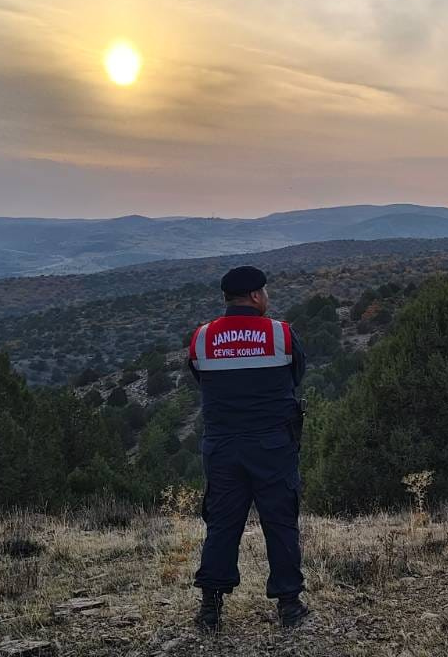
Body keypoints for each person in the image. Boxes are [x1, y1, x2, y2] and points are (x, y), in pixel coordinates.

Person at [188, 266, 310, 631]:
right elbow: (296, 376)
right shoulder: (281, 334)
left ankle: (210, 608)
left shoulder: (202, 338)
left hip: (223, 446)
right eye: (266, 292)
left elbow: (200, 380)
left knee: (222, 524)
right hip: (272, 444)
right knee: (280, 522)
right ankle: (289, 605)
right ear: (256, 296)